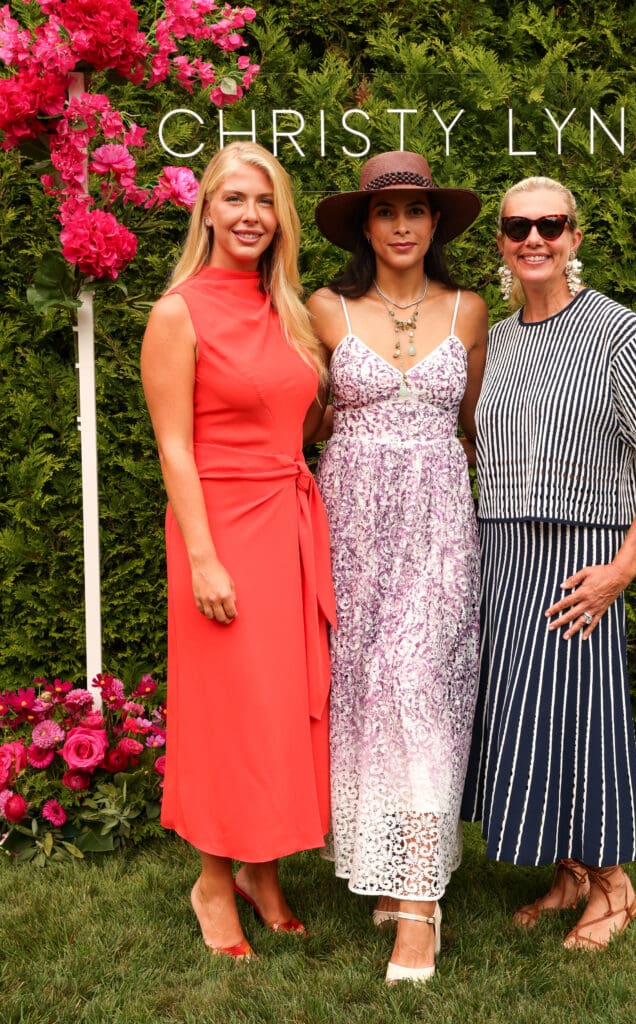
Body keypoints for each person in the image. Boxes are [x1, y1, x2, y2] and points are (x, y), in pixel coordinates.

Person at [462, 176, 636, 951]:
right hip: (504, 552)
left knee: (581, 722)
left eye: (549, 224)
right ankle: (569, 875)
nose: (534, 238)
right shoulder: (495, 340)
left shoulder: (614, 332)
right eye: (517, 225)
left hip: (579, 561)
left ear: (574, 237)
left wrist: (622, 566)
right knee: (523, 720)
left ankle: (615, 885)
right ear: (498, 241)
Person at [141, 141, 335, 960]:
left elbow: (303, 417)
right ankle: (212, 882)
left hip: (285, 525)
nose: (249, 215)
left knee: (275, 712)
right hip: (217, 529)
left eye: (263, 202)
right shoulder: (178, 310)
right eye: (233, 200)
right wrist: (204, 556)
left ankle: (262, 868)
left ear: (279, 216)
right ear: (208, 211)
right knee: (225, 714)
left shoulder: (287, 308)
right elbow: (173, 447)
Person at [308, 151, 488, 983]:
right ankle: (392, 864)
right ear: (366, 227)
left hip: (439, 525)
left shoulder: (470, 311)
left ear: (436, 223)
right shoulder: (324, 309)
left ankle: (419, 906)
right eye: (388, 213)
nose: (405, 225)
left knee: (420, 690)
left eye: (418, 211)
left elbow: (473, 426)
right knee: (364, 691)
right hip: (348, 526)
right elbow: (300, 418)